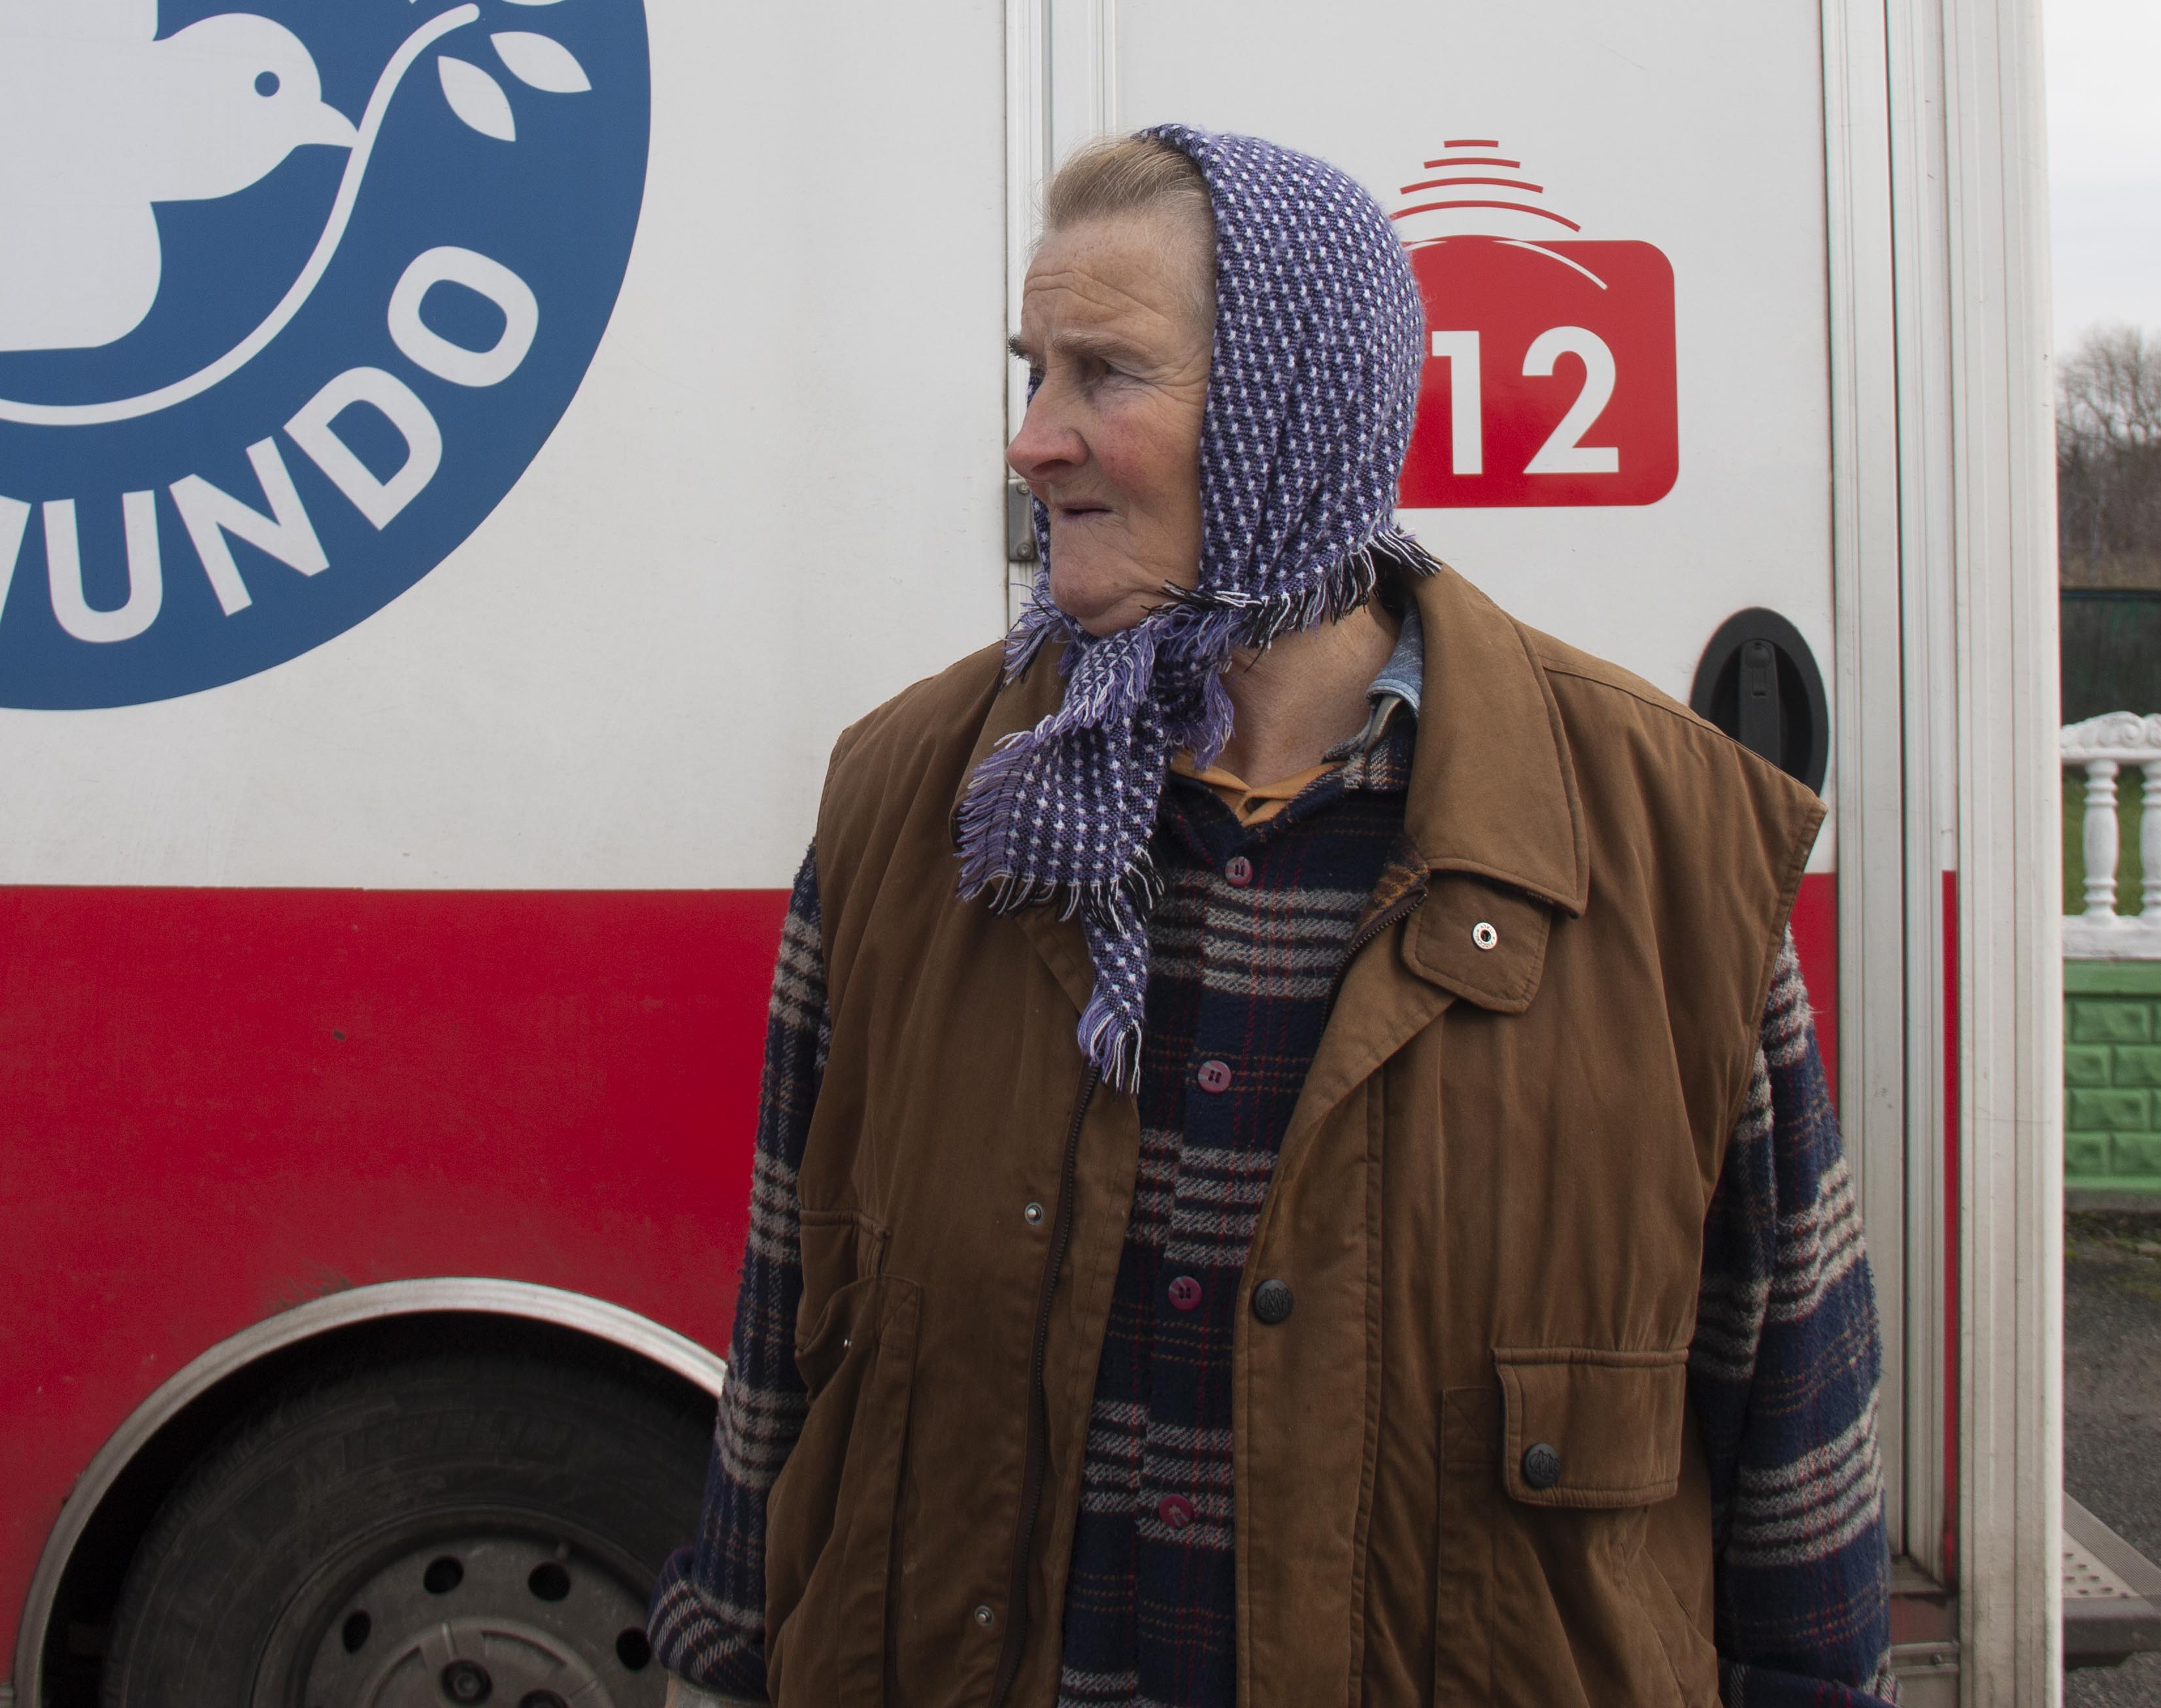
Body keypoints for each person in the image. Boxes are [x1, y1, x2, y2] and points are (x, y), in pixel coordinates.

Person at [646, 127, 1892, 1707]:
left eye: (1105, 374)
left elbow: (1797, 1456)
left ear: (1287, 414)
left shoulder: (1655, 843)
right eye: (1035, 371)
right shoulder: (920, 802)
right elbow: (778, 1364)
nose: (1034, 440)